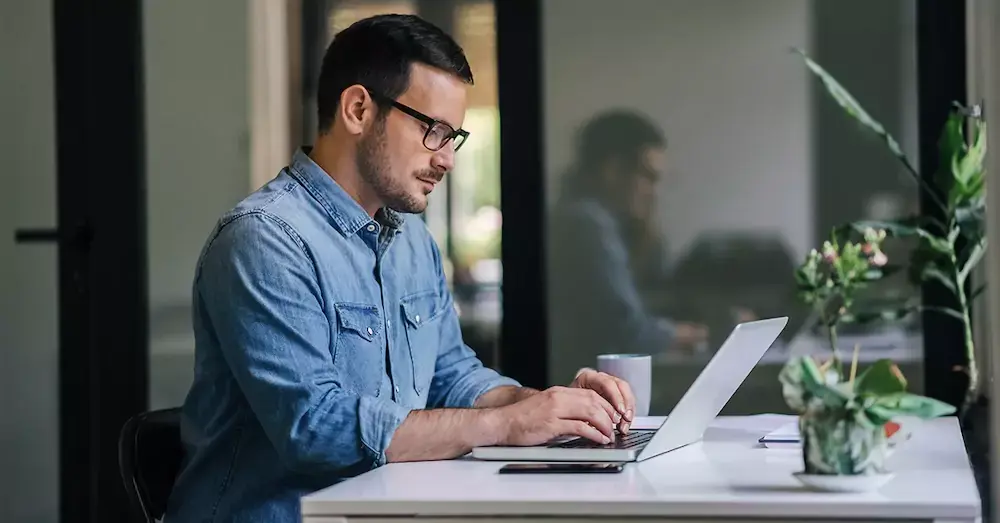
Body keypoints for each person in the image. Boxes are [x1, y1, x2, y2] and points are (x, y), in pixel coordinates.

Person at [164, 14, 635, 523]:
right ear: (358, 109)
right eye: (433, 130)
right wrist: (506, 425)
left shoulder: (412, 241)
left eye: (453, 136)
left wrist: (548, 407)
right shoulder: (264, 239)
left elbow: (452, 376)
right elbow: (315, 428)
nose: (448, 159)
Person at [549, 110, 709, 380]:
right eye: (648, 176)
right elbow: (631, 331)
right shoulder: (587, 224)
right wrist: (707, 333)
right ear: (613, 170)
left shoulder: (589, 220)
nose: (653, 191)